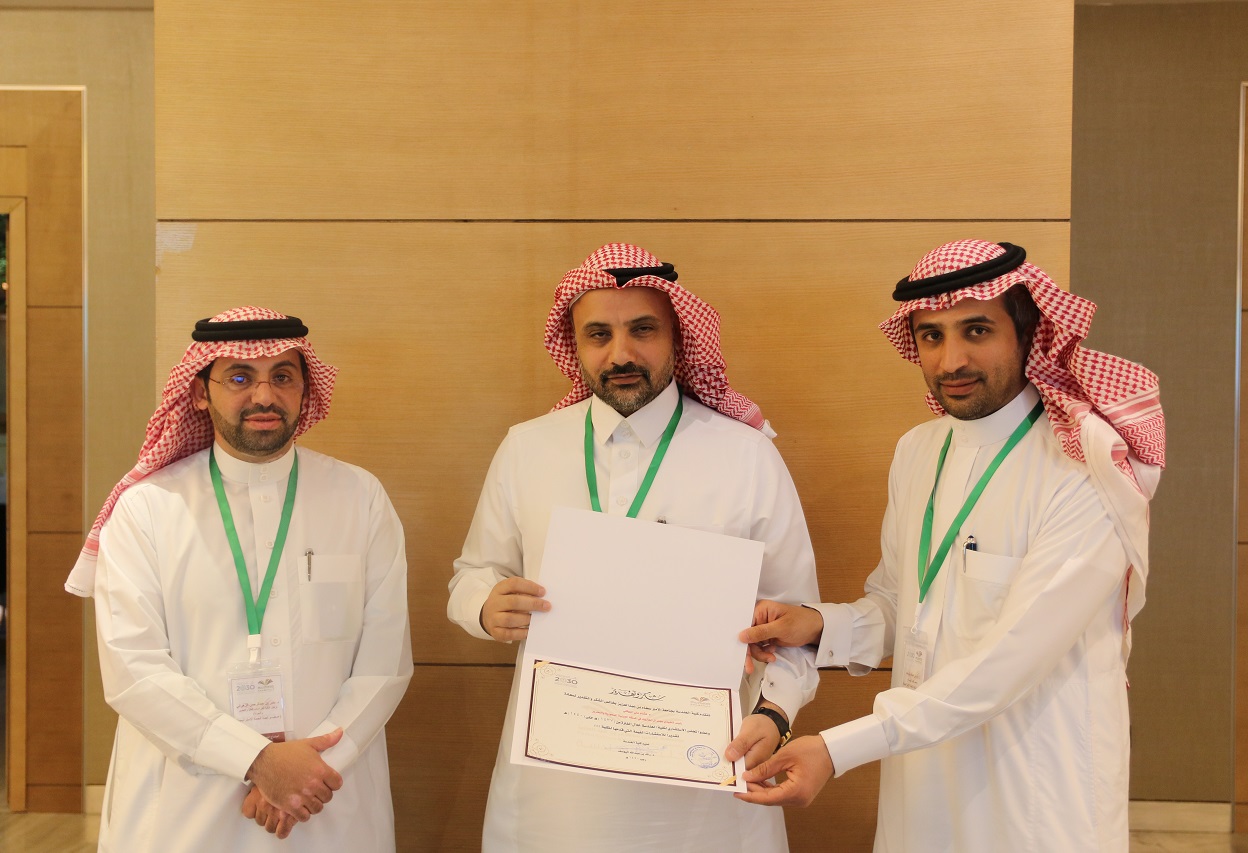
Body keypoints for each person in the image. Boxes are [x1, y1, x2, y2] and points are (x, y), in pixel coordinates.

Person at [737, 240, 1166, 852]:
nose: (951, 360)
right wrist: (817, 625)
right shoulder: (919, 450)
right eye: (931, 336)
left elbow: (1009, 661)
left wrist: (838, 748)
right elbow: (902, 607)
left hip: (1036, 789)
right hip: (922, 775)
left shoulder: (1084, 466)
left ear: (1028, 333)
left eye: (976, 331)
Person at [448, 243, 820, 852]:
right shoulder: (527, 448)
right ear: (574, 345)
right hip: (555, 791)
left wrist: (774, 715)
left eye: (642, 330)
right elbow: (472, 574)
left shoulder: (746, 456)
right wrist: (485, 607)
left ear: (677, 336)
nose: (620, 354)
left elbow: (797, 620)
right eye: (599, 334)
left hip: (705, 785)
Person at [65, 307, 413, 852]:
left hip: (327, 800)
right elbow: (135, 669)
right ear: (199, 392)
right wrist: (257, 761)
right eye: (239, 377)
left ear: (304, 389)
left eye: (283, 376)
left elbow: (385, 661)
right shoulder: (147, 509)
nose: (264, 396)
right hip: (184, 809)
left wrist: (309, 773)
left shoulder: (359, 498)